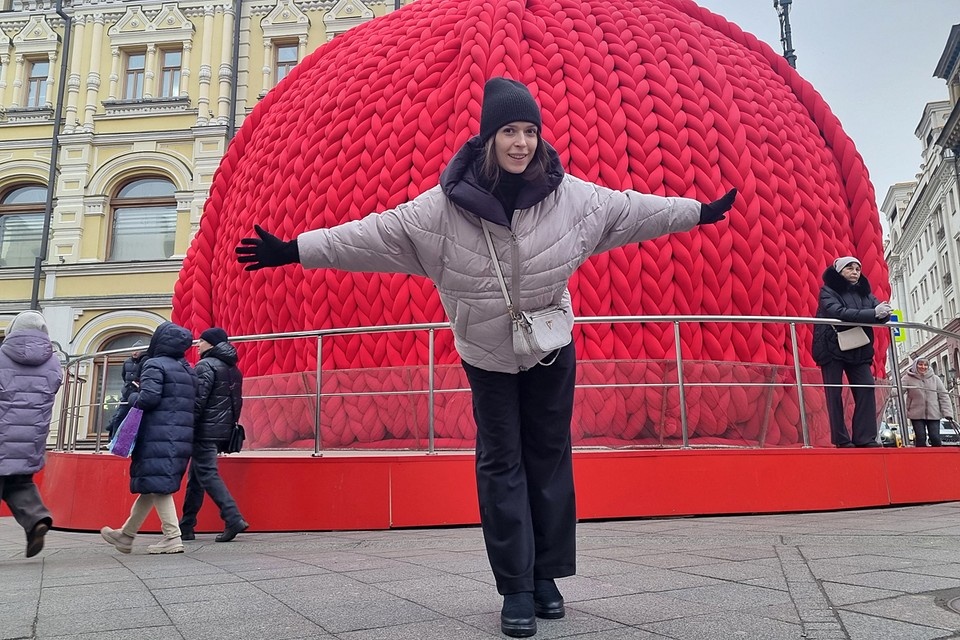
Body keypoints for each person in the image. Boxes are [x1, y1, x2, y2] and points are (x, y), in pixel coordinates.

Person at [235, 77, 736, 638]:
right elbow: (370, 235)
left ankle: (547, 576)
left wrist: (697, 212)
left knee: (549, 458)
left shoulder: (572, 197)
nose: (520, 142)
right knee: (502, 464)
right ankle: (516, 586)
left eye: (529, 131)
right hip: (487, 356)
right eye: (508, 131)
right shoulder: (441, 209)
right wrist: (294, 250)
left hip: (549, 348)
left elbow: (635, 211)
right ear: (488, 138)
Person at [100, 321, 197, 555]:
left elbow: (149, 399)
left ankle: (173, 537)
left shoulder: (154, 365)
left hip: (157, 434)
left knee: (159, 487)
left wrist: (133, 395)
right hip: (180, 434)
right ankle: (126, 535)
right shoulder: (187, 369)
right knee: (152, 484)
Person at [0, 311, 63, 558]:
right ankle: (36, 519)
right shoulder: (53, 361)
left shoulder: (2, 356)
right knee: (20, 483)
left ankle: (36, 521)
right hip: (31, 437)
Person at [812, 256, 891, 448]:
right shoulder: (827, 291)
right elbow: (838, 312)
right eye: (850, 268)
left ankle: (865, 438)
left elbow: (879, 313)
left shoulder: (866, 293)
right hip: (832, 347)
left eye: (857, 268)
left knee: (866, 389)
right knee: (834, 394)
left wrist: (883, 313)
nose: (855, 272)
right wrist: (874, 314)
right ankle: (841, 439)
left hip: (859, 348)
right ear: (839, 271)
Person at [179, 327, 249, 542]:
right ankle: (187, 526)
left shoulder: (205, 365)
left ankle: (233, 517)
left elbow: (198, 400)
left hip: (204, 430)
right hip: (221, 430)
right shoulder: (233, 369)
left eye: (201, 341)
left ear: (212, 344)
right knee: (197, 477)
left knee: (207, 473)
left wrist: (186, 424)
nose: (197, 344)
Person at [901, 357, 953, 447]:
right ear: (915, 365)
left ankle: (938, 458)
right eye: (920, 364)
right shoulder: (908, 378)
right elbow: (898, 390)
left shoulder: (935, 379)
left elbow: (943, 396)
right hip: (916, 414)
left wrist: (947, 413)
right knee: (920, 438)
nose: (923, 367)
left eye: (925, 365)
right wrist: (885, 391)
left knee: (935, 437)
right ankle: (921, 459)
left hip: (933, 413)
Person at [105, 342, 144, 439]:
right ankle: (112, 440)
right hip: (127, 394)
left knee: (136, 419)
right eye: (133, 350)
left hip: (137, 394)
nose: (135, 352)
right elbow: (124, 376)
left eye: (137, 350)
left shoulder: (144, 362)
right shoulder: (127, 362)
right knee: (119, 416)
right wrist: (127, 386)